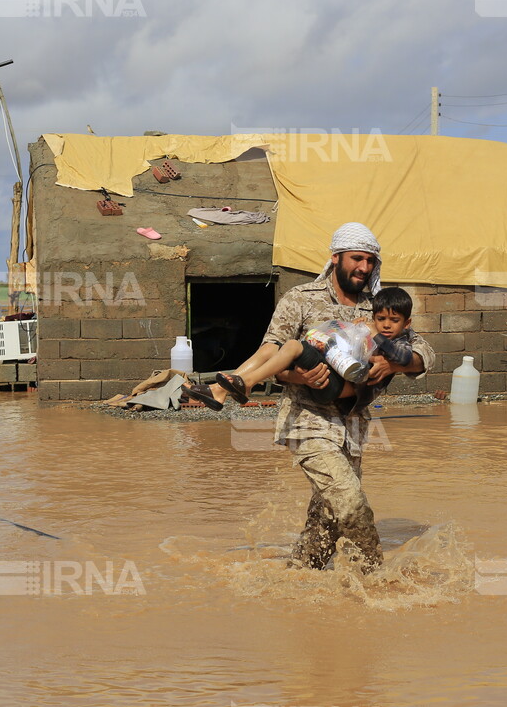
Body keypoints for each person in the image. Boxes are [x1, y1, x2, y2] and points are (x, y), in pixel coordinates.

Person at [259, 223, 434, 572]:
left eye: (371, 261)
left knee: (328, 517)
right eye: (357, 259)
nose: (364, 268)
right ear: (336, 257)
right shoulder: (301, 299)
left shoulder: (380, 306)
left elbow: (424, 353)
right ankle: (375, 579)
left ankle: (298, 582)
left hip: (352, 425)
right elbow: (271, 358)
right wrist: (299, 374)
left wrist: (394, 364)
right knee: (351, 503)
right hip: (308, 419)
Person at [186, 286, 418, 410]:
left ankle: (245, 384)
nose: (387, 325)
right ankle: (220, 390)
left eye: (394, 321)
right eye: (381, 319)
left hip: (339, 388)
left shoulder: (401, 342)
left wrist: (375, 333)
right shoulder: (303, 296)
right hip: (327, 374)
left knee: (294, 345)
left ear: (406, 323)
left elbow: (404, 358)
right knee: (272, 348)